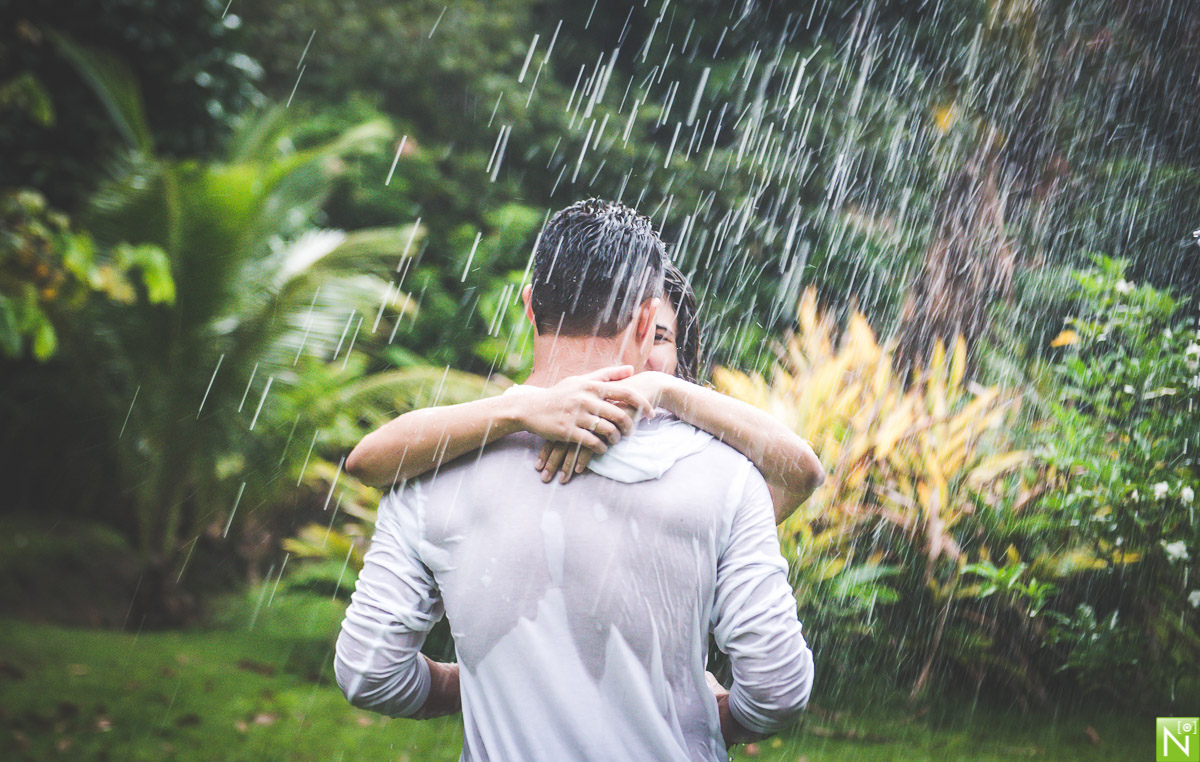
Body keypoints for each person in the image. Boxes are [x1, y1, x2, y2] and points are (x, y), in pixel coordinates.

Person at [335, 199, 815, 760]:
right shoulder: (725, 475)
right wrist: (701, 714)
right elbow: (779, 692)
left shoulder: (432, 472)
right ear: (644, 320)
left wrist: (490, 686)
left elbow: (369, 673)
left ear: (530, 303)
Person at [344, 261, 825, 524]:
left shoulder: (698, 470)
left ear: (683, 355)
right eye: (643, 333)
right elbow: (367, 461)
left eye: (661, 339)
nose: (643, 357)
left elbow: (802, 471)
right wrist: (519, 408)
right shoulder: (521, 430)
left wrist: (665, 390)